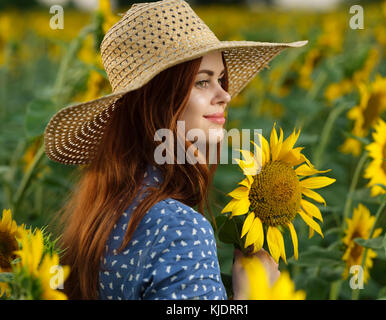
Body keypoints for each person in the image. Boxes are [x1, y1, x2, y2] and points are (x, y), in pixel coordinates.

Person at [44, 0, 306, 300]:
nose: (225, 95)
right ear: (157, 102)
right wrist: (252, 296)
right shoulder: (181, 229)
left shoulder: (101, 213)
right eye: (203, 82)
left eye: (221, 80)